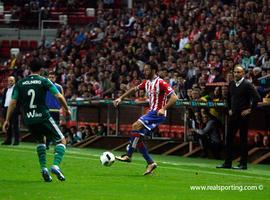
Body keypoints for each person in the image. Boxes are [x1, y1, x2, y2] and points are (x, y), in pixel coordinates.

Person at [2, 58, 71, 182]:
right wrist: (66, 108)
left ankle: (44, 168)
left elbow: (13, 102)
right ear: (41, 69)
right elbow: (58, 96)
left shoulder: (20, 83)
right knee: (61, 140)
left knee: (41, 140)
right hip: (43, 116)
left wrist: (7, 120)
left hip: (29, 119)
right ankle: (55, 165)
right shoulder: (44, 81)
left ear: (29, 68)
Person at [113, 63, 178, 175]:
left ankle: (128, 155)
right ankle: (150, 163)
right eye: (144, 70)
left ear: (153, 70)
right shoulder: (147, 83)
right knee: (138, 140)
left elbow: (174, 97)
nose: (144, 72)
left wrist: (163, 108)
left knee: (135, 126)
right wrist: (120, 98)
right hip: (151, 112)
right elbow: (134, 89)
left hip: (157, 113)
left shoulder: (161, 83)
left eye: (147, 70)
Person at [217, 65, 260, 170]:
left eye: (238, 72)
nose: (236, 74)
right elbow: (228, 98)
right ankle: (227, 163)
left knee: (243, 140)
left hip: (243, 116)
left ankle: (243, 164)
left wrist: (250, 110)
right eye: (235, 72)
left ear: (243, 73)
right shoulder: (231, 84)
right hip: (233, 115)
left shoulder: (247, 85)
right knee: (229, 138)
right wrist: (229, 109)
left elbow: (257, 98)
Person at [45, 71, 64, 149]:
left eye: (53, 77)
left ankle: (57, 145)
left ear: (55, 78)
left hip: (56, 111)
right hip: (47, 110)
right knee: (47, 128)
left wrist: (62, 109)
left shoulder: (59, 87)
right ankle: (47, 143)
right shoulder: (45, 86)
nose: (51, 78)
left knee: (56, 129)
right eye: (50, 77)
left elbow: (62, 98)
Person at [1, 76, 20, 145]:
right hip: (6, 108)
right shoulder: (6, 89)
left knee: (15, 125)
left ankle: (16, 141)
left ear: (15, 81)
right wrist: (3, 107)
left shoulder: (17, 89)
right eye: (9, 80)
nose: (10, 82)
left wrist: (17, 109)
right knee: (7, 125)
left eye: (12, 80)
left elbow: (18, 100)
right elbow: (4, 99)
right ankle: (8, 140)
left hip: (14, 109)